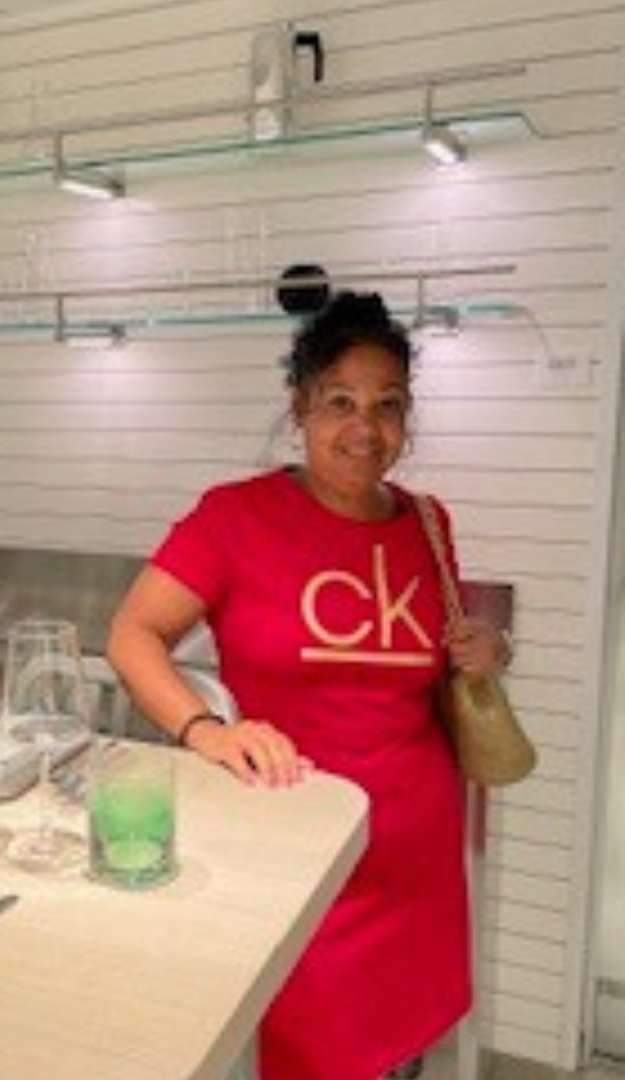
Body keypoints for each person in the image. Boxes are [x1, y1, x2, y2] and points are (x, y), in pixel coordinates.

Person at [106, 291, 511, 1080]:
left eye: (388, 406)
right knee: (305, 1052)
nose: (366, 429)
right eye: (341, 403)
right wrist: (208, 732)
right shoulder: (234, 519)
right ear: (301, 408)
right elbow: (132, 634)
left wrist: (488, 646)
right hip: (298, 859)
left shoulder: (429, 520)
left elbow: (435, 655)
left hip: (417, 859)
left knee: (401, 1058)